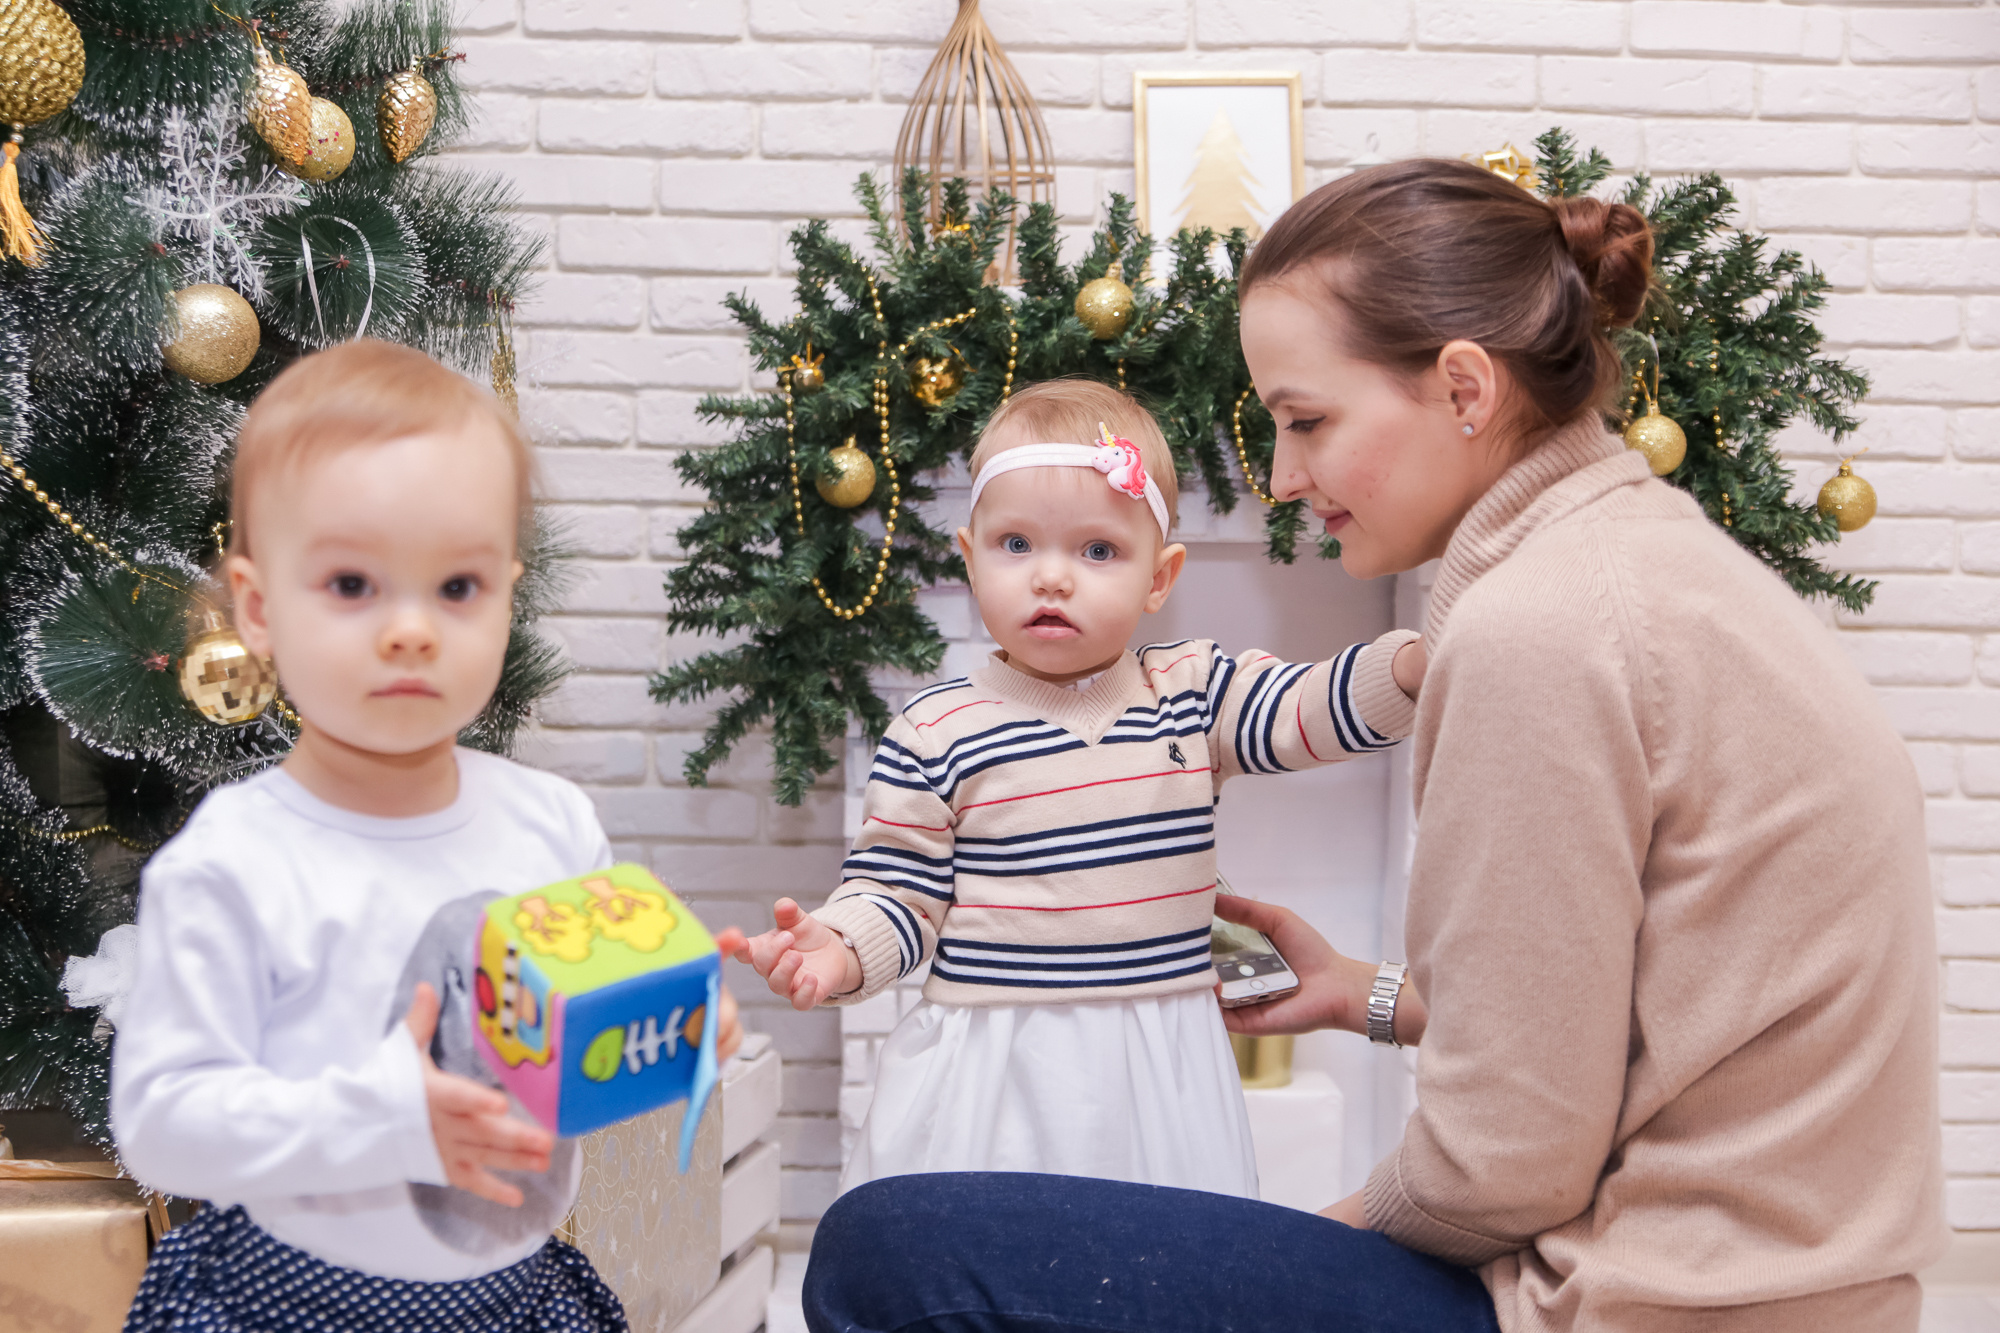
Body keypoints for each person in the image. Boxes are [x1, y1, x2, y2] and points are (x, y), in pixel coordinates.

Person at [802, 160, 1947, 1332]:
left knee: (883, 1245)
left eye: (1303, 421)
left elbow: (1504, 1162)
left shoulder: (1533, 629)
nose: (1282, 476)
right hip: (1784, 1281)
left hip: (1650, 1299)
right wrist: (1380, 996)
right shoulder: (1640, 559)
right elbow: (1632, 1011)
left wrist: (1286, 1246)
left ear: (1461, 388)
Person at [111, 340, 744, 1333]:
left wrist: (666, 1032)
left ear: (505, 596)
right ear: (259, 607)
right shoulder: (236, 857)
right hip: (291, 1301)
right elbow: (160, 1127)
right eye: (354, 585)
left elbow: (572, 1052)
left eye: (456, 588)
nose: (411, 629)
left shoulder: (550, 823)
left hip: (511, 1298)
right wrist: (379, 1118)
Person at [735, 378, 1427, 1197]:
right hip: (989, 1069)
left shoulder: (1193, 693)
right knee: (979, 1273)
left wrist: (1422, 662)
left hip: (1160, 1064)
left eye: (1097, 551)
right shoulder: (934, 730)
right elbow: (899, 895)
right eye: (1017, 545)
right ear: (969, 557)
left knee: (1160, 1272)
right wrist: (842, 948)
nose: (1051, 578)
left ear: (1158, 577)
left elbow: (1308, 709)